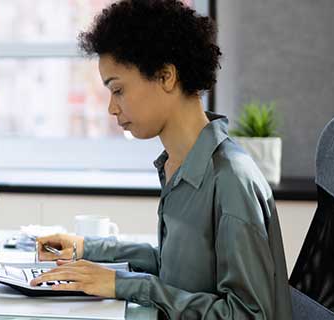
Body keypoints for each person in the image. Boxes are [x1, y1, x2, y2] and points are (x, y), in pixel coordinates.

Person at [30, 0, 292, 318]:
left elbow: (249, 314)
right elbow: (175, 265)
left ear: (166, 76)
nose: (112, 108)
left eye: (118, 90)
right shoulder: (178, 163)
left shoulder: (231, 179)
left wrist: (124, 284)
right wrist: (87, 248)